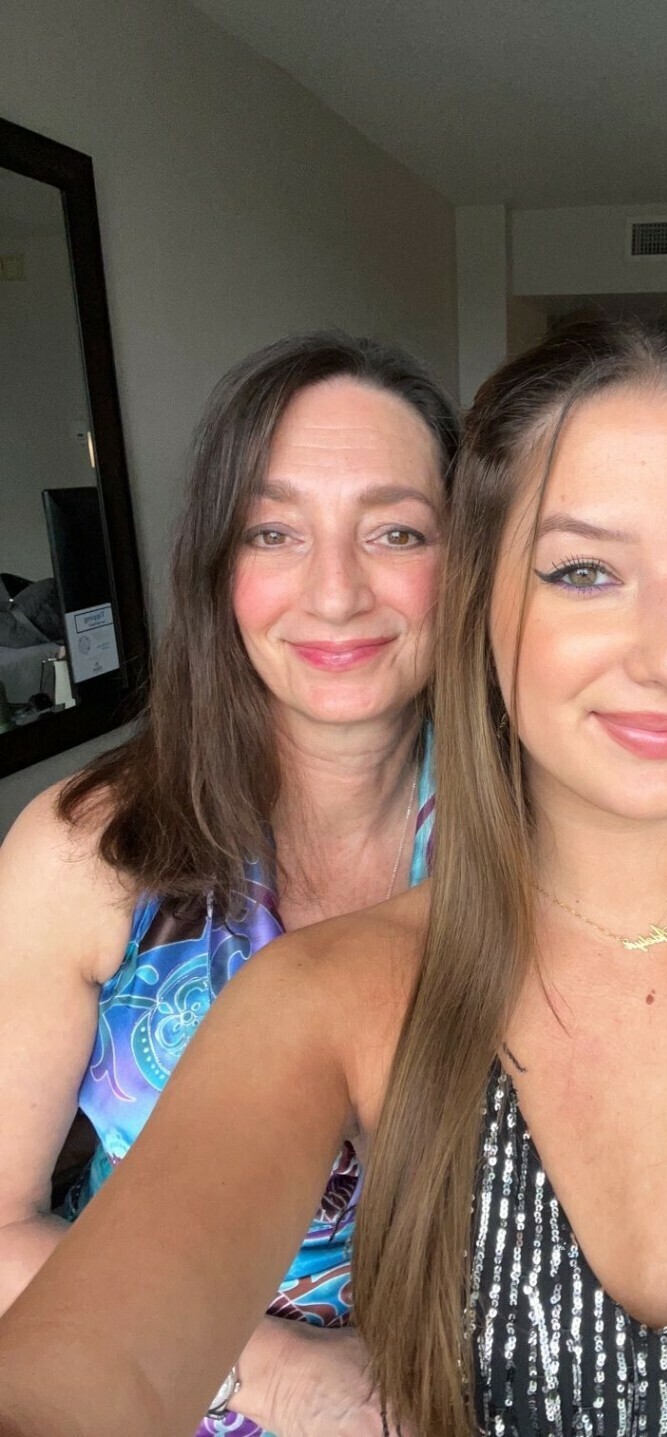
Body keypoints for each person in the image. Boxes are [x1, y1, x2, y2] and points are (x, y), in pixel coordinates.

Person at [0, 318, 667, 1437]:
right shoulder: (323, 983)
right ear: (491, 606)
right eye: (584, 570)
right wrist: (276, 1376)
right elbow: (90, 1364)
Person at [0, 332, 458, 1437]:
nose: (336, 592)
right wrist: (281, 1376)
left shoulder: (542, 845)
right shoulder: (85, 852)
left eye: (396, 531)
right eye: (274, 532)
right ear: (218, 568)